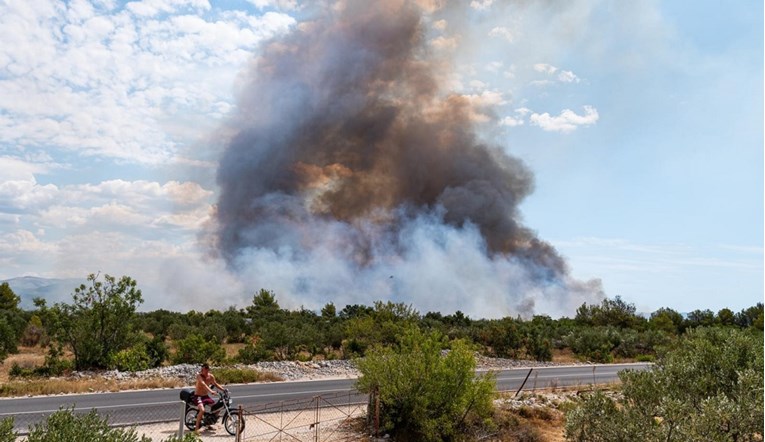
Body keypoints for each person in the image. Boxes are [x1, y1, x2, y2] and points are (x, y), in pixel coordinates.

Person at [193, 363, 225, 432]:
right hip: (198, 396)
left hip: (205, 396)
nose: (205, 372)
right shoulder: (199, 376)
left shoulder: (211, 376)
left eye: (207, 370)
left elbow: (215, 384)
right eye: (204, 370)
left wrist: (223, 389)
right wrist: (211, 391)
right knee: (202, 410)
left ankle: (208, 423)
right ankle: (196, 428)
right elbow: (203, 384)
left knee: (217, 408)